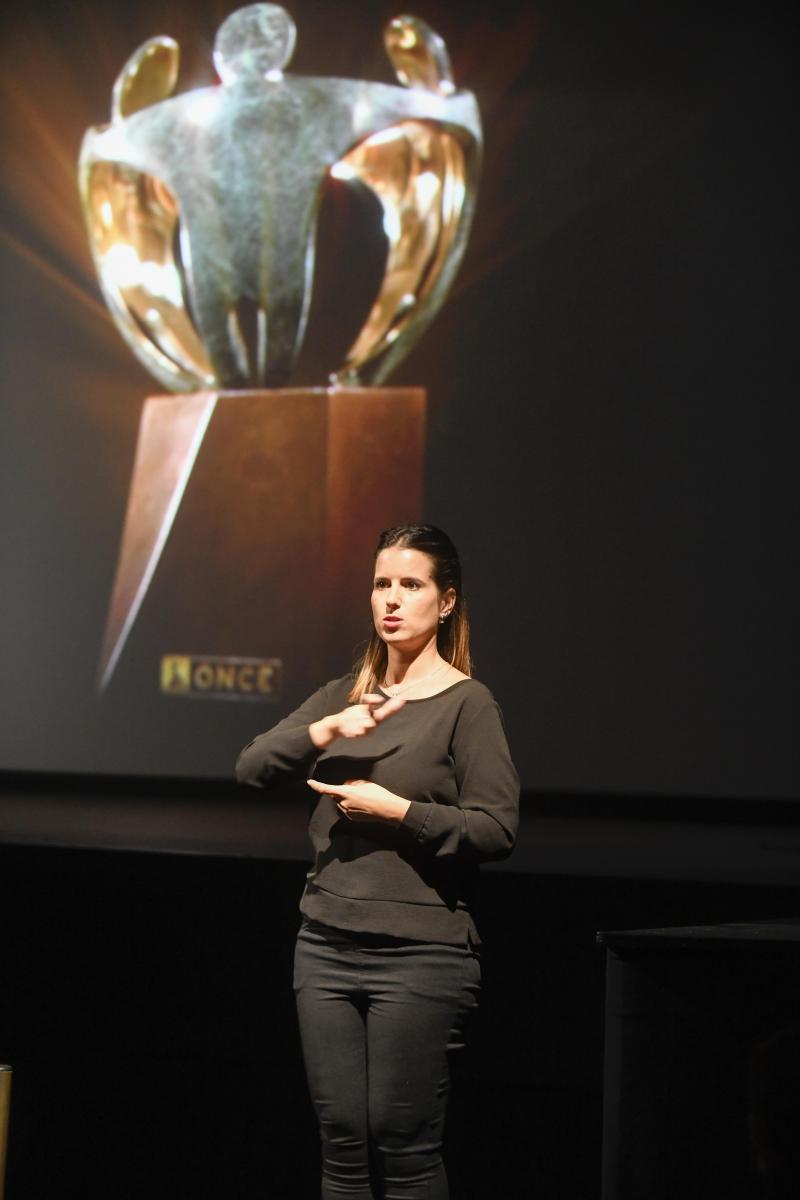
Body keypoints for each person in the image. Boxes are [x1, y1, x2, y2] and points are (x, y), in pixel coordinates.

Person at [236, 523, 519, 1199]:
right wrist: (328, 727)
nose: (391, 599)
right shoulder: (346, 695)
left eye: (410, 585)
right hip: (325, 945)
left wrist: (399, 813)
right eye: (381, 584)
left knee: (404, 1143)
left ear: (445, 602)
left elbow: (496, 828)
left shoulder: (468, 704)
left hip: (420, 954)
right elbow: (251, 767)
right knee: (340, 1143)